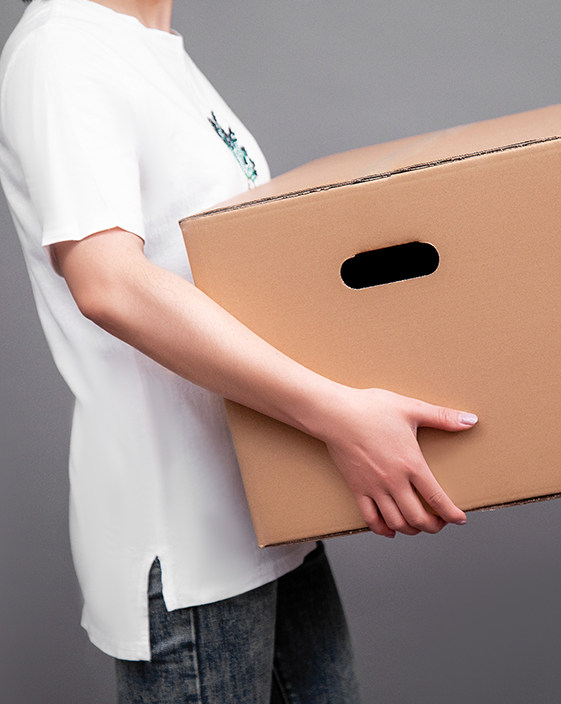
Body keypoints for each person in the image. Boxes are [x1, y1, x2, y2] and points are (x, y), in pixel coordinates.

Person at [0, 0, 478, 701]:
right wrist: (338, 414)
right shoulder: (64, 49)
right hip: (188, 541)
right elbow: (108, 283)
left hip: (268, 507)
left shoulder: (153, 48)